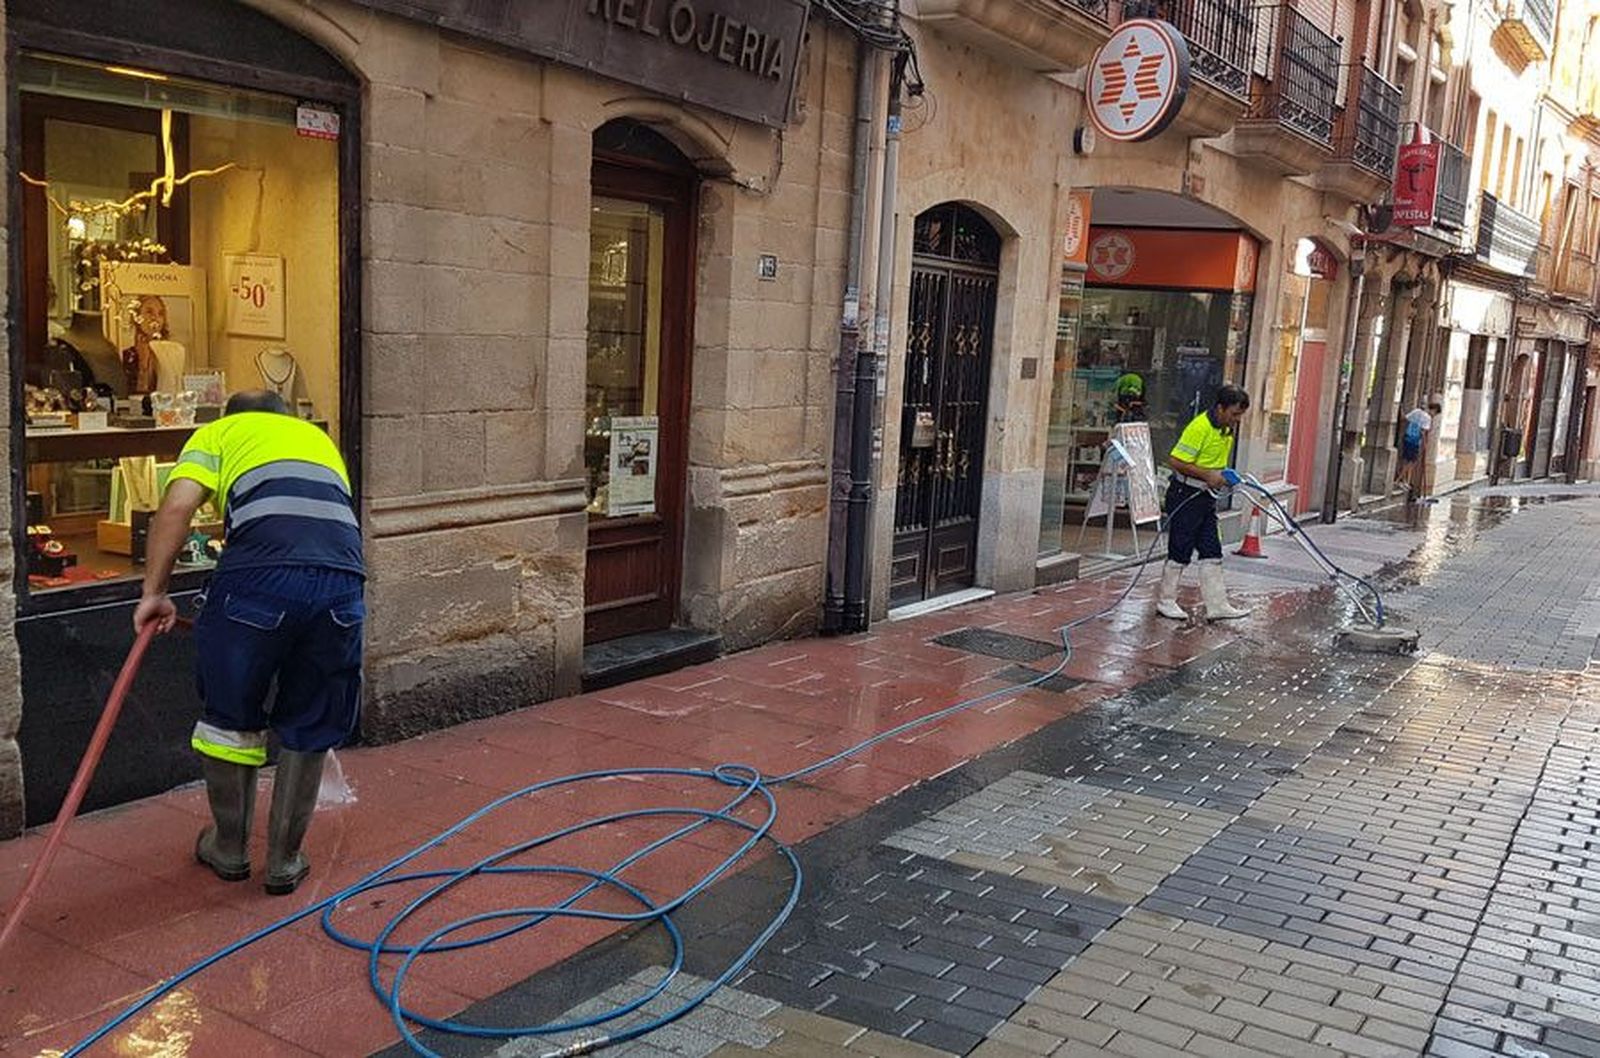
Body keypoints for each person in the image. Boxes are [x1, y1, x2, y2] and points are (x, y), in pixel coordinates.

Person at [134, 390, 364, 895]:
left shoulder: (217, 433)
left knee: (231, 714)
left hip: (257, 579)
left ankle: (230, 847)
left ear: (232, 418)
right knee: (312, 715)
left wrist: (154, 593)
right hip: (342, 582)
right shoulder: (317, 440)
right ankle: (285, 860)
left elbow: (176, 509)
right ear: (286, 417)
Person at [1156, 384, 1252, 621]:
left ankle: (1217, 605)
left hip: (1205, 497)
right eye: (1234, 414)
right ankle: (1165, 601)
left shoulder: (1225, 430)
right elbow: (1176, 460)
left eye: (1240, 415)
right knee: (1180, 548)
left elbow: (1215, 462)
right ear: (1220, 408)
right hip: (1185, 494)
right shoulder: (1200, 427)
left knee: (1211, 549)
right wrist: (1208, 475)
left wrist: (1223, 476)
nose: (1237, 420)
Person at [1395, 400, 1443, 498]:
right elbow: (1423, 432)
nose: (1434, 415)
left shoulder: (1417, 411)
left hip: (1407, 438)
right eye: (1435, 413)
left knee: (1405, 460)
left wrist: (1400, 408)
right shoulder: (1428, 418)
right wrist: (1425, 444)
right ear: (1433, 410)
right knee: (1411, 462)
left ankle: (1404, 481)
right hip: (1415, 441)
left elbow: (1404, 418)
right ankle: (1399, 480)